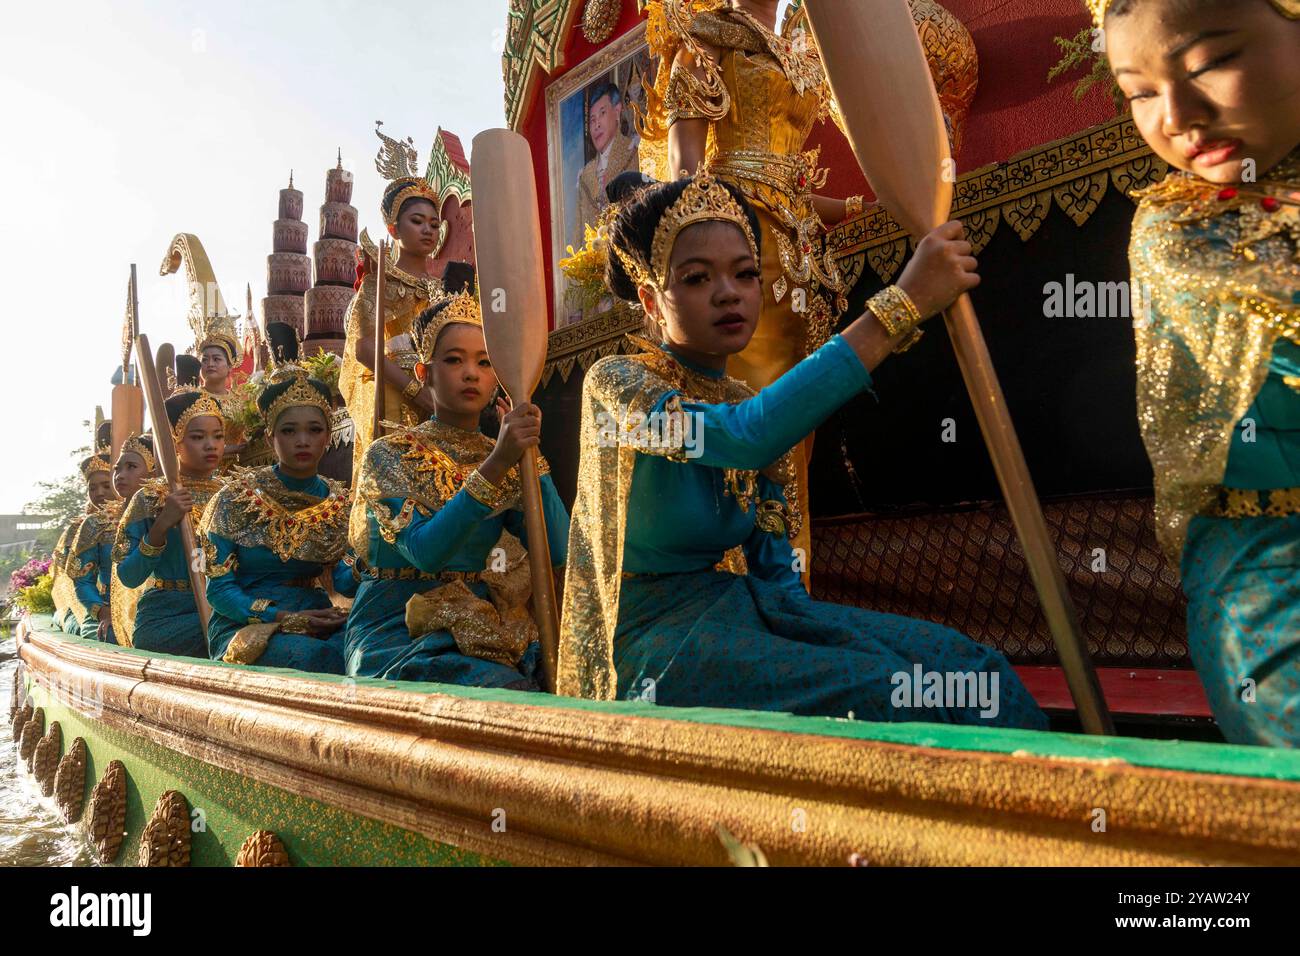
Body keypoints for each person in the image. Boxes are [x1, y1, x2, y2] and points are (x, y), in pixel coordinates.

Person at [557, 172, 1045, 731]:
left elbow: (773, 562)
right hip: (652, 643)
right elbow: (743, 438)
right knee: (887, 698)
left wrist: (822, 633)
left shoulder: (745, 399)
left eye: (745, 274)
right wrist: (901, 305)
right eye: (696, 278)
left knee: (970, 671)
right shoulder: (618, 385)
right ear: (649, 299)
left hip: (745, 610)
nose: (728, 292)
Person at [1100, 0, 1300, 745]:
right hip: (1267, 558)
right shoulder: (1181, 226)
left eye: (1210, 63)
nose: (1177, 116)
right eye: (1140, 92)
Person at [637, 0, 871, 578]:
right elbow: (686, 172)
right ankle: (755, 594)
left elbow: (789, 173)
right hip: (742, 243)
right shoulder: (708, 33)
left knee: (801, 423)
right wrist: (707, 252)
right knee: (761, 416)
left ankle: (792, 591)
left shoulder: (800, 45)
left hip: (802, 252)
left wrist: (854, 206)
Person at [344, 289, 570, 688]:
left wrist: (534, 460)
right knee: (501, 690)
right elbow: (427, 553)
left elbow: (557, 547)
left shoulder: (502, 452)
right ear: (424, 373)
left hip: (480, 614)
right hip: (397, 625)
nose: (471, 373)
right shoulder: (389, 455)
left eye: (485, 363)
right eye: (454, 360)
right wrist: (498, 463)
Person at [199, 365, 353, 673]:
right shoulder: (232, 500)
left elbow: (343, 582)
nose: (302, 440)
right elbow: (218, 590)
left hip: (316, 615)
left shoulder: (340, 502)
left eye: (314, 430)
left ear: (328, 437)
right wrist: (282, 618)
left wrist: (368, 555)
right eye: (288, 431)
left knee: (363, 652)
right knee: (314, 659)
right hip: (247, 622)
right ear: (270, 440)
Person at [339, 177, 445, 485]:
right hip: (396, 395)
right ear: (393, 229)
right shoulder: (378, 284)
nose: (428, 230)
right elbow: (364, 349)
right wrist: (416, 391)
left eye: (434, 224)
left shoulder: (444, 289)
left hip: (442, 393)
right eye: (417, 221)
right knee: (399, 486)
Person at [113, 393, 225, 657]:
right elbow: (129, 576)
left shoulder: (233, 495)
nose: (211, 445)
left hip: (222, 607)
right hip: (166, 617)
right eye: (198, 437)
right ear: (174, 442)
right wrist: (161, 526)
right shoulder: (150, 498)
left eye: (218, 436)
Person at [54, 437, 116, 636]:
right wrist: (102, 611)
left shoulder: (143, 516)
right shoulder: (87, 526)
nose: (99, 493)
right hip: (101, 606)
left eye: (106, 485)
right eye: (92, 488)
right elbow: (81, 580)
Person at [575, 81, 642, 246]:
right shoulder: (586, 174)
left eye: (602, 113)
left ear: (617, 111)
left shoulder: (635, 151)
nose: (596, 125)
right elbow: (578, 237)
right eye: (592, 120)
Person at [106, 433, 157, 643]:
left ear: (155, 473)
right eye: (117, 468)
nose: (120, 475)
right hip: (141, 611)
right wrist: (101, 611)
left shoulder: (164, 505)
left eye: (131, 467)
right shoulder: (100, 523)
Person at [193, 313, 248, 459]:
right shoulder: (192, 400)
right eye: (205, 360)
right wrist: (225, 449)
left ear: (230, 366)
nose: (210, 364)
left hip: (238, 472)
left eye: (216, 359)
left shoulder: (240, 401)